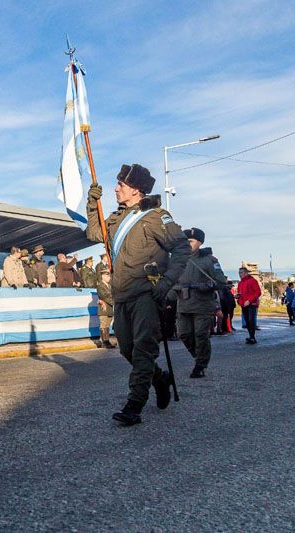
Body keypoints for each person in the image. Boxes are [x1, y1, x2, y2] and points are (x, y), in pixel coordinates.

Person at [86, 163, 190, 426]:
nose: (116, 189)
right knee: (127, 350)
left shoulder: (155, 216)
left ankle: (134, 405)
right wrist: (91, 204)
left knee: (143, 350)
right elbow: (94, 233)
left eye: (121, 185)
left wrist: (166, 283)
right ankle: (159, 379)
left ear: (136, 190)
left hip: (146, 293)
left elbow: (181, 249)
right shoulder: (116, 218)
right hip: (122, 295)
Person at [170, 227, 227, 379]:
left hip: (203, 305)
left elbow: (221, 282)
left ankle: (200, 365)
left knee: (201, 335)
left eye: (191, 241)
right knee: (184, 334)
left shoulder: (210, 260)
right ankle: (199, 356)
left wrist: (205, 286)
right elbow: (171, 280)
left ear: (200, 242)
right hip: (183, 304)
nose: (187, 243)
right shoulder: (178, 259)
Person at [236, 267, 261, 344]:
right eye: (239, 273)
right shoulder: (240, 283)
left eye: (241, 273)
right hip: (244, 305)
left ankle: (252, 337)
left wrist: (249, 301)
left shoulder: (253, 281)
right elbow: (240, 294)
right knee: (247, 321)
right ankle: (251, 336)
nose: (240, 275)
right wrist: (238, 298)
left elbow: (258, 292)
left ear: (246, 273)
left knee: (251, 320)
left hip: (252, 304)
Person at [96, 257, 115, 349]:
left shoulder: (109, 285)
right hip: (104, 308)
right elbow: (104, 296)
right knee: (103, 325)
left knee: (107, 325)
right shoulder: (100, 285)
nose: (109, 277)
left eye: (109, 276)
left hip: (109, 308)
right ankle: (104, 342)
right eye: (107, 276)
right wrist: (114, 302)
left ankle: (106, 341)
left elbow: (111, 294)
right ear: (103, 276)